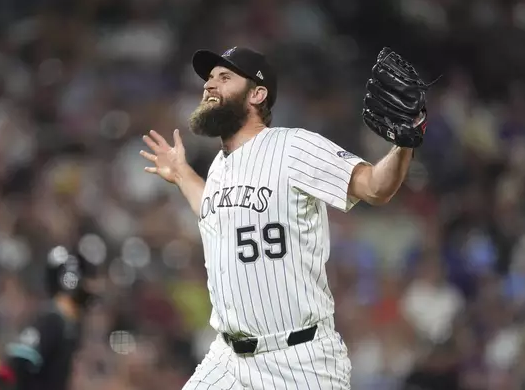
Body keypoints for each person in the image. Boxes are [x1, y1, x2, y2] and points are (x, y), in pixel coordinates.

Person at [140, 46, 430, 389]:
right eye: (209, 78)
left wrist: (404, 143)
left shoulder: (293, 147)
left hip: (299, 360)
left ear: (257, 94)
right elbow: (212, 211)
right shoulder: (219, 166)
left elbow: (375, 187)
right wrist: (183, 173)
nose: (210, 85)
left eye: (224, 77)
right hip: (228, 360)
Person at [0, 249, 102, 390]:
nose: (93, 290)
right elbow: (18, 360)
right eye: (88, 282)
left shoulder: (71, 325)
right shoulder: (52, 320)